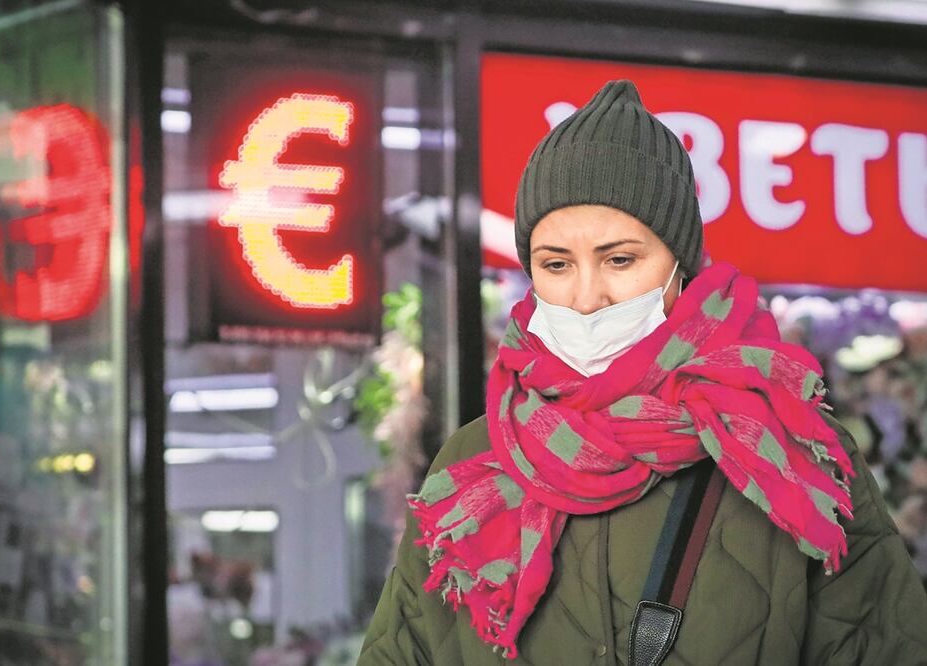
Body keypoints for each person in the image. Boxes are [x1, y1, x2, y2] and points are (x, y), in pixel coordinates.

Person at [358, 80, 927, 665]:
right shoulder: (476, 459)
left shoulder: (794, 449)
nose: (585, 297)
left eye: (620, 259)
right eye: (556, 264)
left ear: (681, 264)